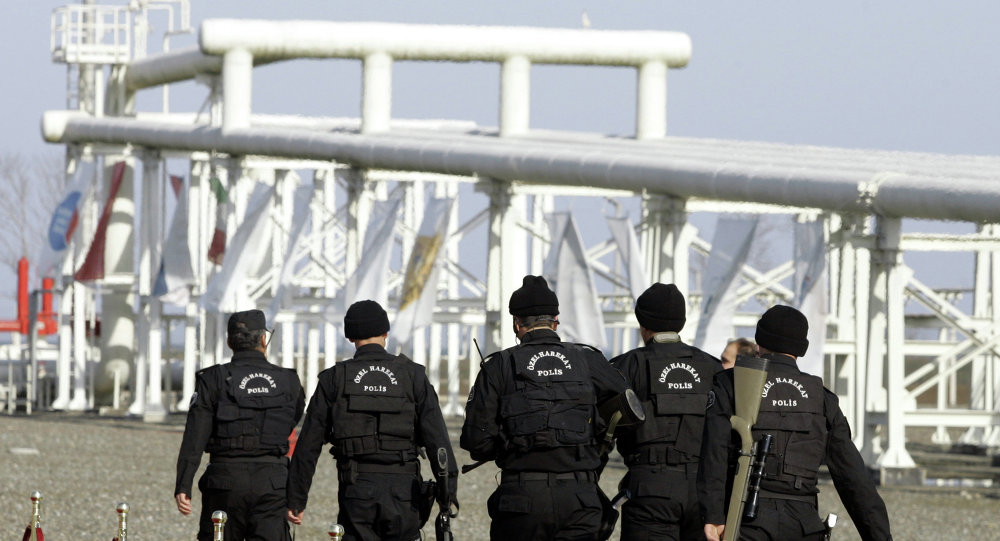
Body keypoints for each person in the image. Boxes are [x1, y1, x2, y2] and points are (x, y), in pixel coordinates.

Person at [698, 305, 892, 541]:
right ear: (802, 348)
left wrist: (713, 515)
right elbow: (853, 477)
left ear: (759, 341)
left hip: (745, 520)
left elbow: (713, 453)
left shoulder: (730, 383)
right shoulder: (822, 398)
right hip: (804, 525)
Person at [461, 275, 632, 541]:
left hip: (521, 499)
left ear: (517, 324)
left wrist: (511, 444)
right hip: (580, 498)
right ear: (555, 322)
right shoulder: (588, 360)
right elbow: (630, 411)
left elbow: (476, 441)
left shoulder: (498, 366)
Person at [286, 299, 458, 541]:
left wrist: (296, 498)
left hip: (356, 490)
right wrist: (447, 495)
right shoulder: (413, 376)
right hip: (404, 491)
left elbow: (308, 445)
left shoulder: (334, 379)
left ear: (350, 337)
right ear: (385, 333)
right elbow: (437, 440)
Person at [175, 309, 305, 541]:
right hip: (272, 482)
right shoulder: (288, 380)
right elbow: (292, 420)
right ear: (263, 339)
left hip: (225, 480)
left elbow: (195, 436)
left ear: (228, 342)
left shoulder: (212, 378)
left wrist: (183, 485)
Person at [610, 282, 723, 541]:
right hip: (703, 492)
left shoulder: (625, 366)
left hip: (649, 487)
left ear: (643, 324)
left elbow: (601, 431)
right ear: (680, 323)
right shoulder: (714, 369)